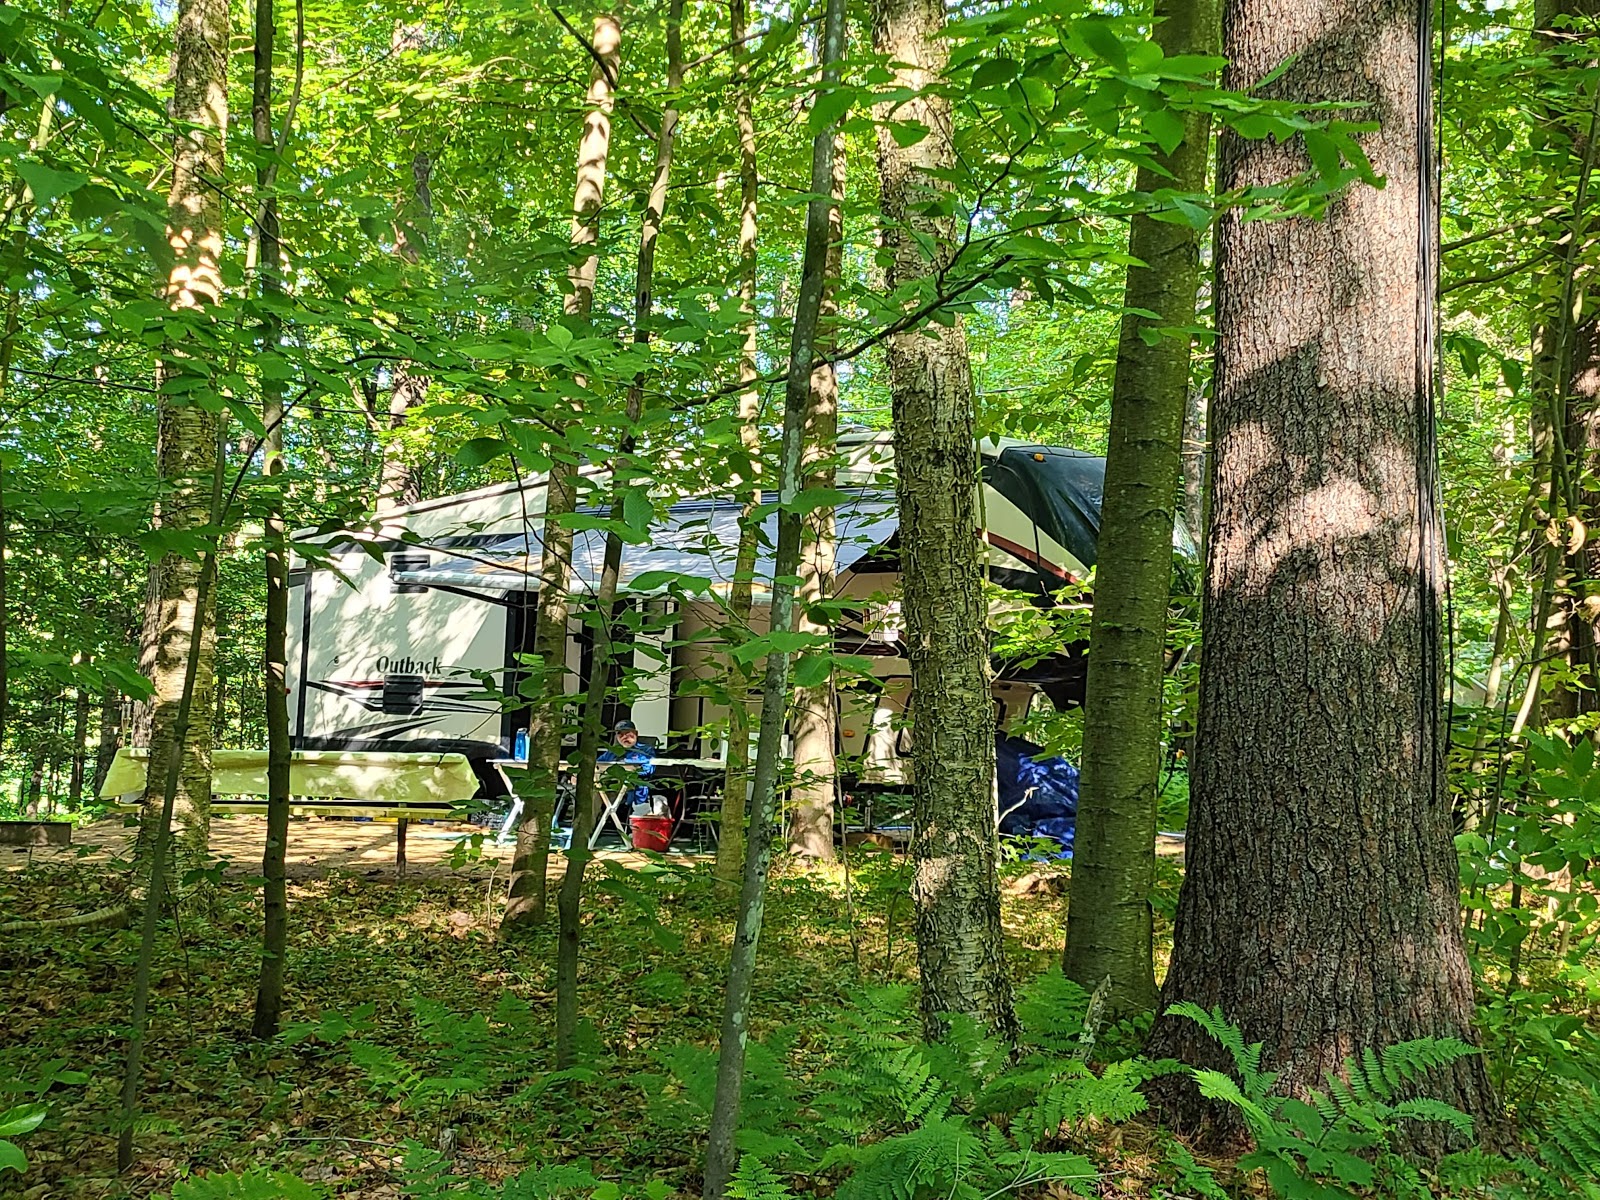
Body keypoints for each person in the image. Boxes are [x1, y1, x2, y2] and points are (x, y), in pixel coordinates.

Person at [599, 718, 655, 815]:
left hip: (630, 787)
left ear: (636, 733)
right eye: (620, 734)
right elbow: (596, 766)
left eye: (628, 733)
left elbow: (649, 769)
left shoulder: (645, 750)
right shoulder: (612, 752)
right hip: (607, 787)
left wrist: (628, 769)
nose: (624, 737)